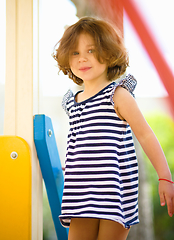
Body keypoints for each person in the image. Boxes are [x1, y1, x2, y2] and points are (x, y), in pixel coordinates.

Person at [53, 16, 174, 240]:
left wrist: (165, 177)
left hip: (114, 193)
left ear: (108, 52)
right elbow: (79, 142)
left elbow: (146, 135)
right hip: (80, 193)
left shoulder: (117, 95)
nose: (82, 59)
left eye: (90, 50)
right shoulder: (72, 101)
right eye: (75, 53)